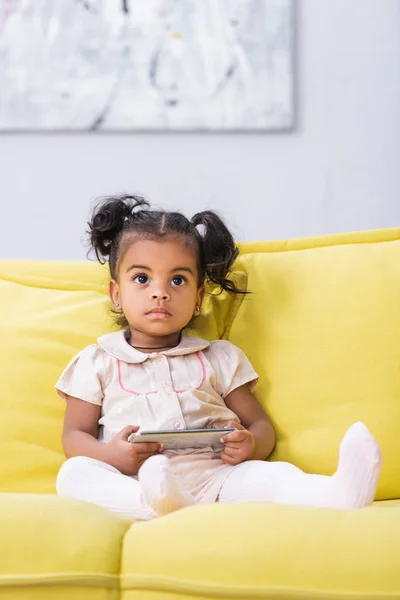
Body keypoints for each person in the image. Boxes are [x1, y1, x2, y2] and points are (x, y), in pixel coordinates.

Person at [56, 195, 383, 520]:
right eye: (142, 278)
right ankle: (153, 503)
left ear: (199, 298)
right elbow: (74, 435)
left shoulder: (218, 357)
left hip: (219, 477)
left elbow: (259, 425)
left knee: (271, 475)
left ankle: (336, 493)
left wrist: (250, 444)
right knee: (74, 473)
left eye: (178, 280)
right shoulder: (97, 361)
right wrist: (111, 455)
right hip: (136, 478)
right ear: (116, 294)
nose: (160, 292)